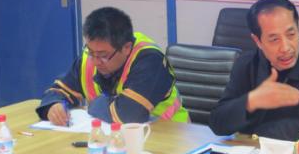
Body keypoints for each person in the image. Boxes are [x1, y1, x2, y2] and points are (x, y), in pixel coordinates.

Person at [209, 0, 299, 141]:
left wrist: (253, 131)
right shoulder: (246, 64)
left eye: (291, 34)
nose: (285, 47)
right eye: (274, 39)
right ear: (258, 41)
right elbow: (217, 123)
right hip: (252, 152)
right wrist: (251, 101)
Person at [36, 7, 189, 125]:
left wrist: (94, 105)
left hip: (168, 134)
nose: (96, 61)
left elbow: (129, 114)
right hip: (113, 141)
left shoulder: (150, 60)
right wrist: (54, 106)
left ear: (126, 47)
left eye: (103, 55)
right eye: (91, 52)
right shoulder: (90, 57)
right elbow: (58, 90)